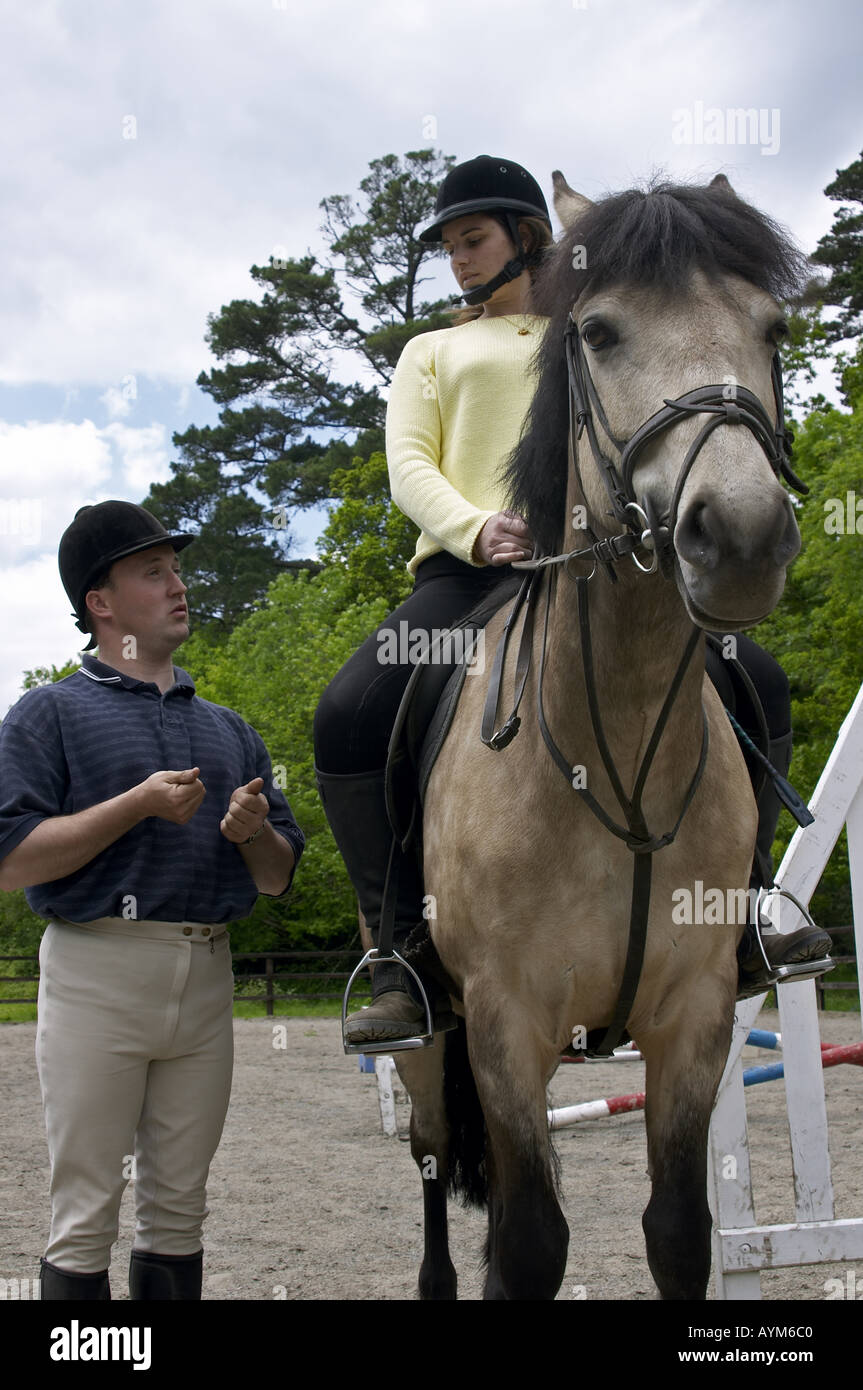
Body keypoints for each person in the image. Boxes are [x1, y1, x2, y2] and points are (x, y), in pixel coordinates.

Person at [313, 155, 830, 1047]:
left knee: (758, 680)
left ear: (527, 237)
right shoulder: (431, 351)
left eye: (472, 239)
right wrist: (475, 528)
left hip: (596, 568)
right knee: (349, 710)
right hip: (469, 573)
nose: (458, 259)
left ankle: (742, 909)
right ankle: (400, 952)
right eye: (446, 245)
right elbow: (408, 463)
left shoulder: (596, 326)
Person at [0, 501, 305, 1300]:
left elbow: (276, 877)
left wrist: (251, 835)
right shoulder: (50, 712)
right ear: (101, 602)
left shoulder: (231, 730)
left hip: (207, 978)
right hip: (97, 969)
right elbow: (7, 861)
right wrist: (131, 806)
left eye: (177, 569)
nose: (178, 585)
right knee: (85, 1215)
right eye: (153, 571)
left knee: (179, 1212)